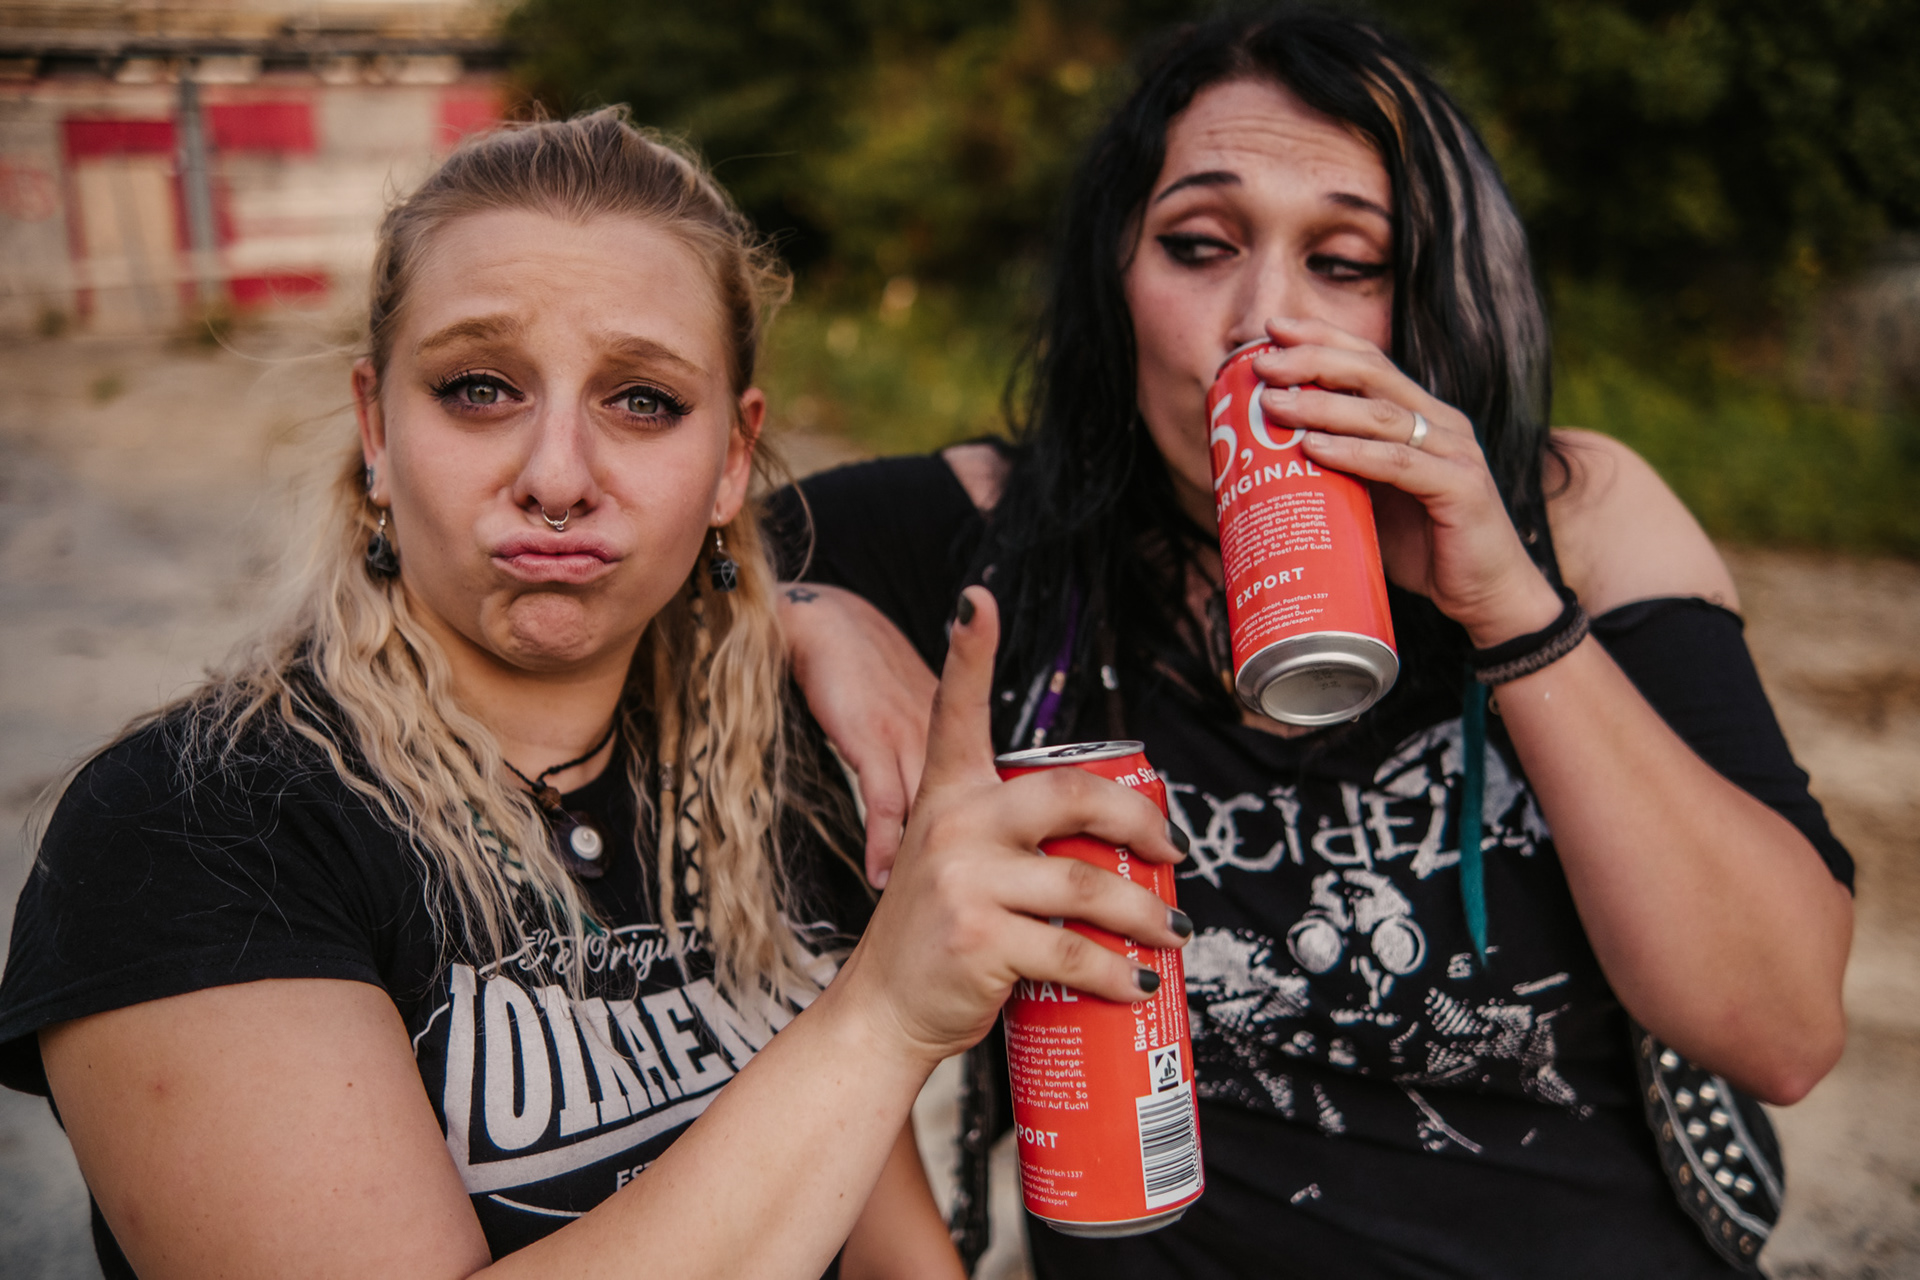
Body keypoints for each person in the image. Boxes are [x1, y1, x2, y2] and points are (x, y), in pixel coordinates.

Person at [0, 110, 1193, 1280]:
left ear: (732, 459)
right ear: (375, 427)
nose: (558, 476)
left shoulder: (759, 779)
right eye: (479, 387)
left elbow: (888, 1253)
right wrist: (881, 1015)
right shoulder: (189, 833)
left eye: (643, 400)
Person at [770, 10, 1855, 1277]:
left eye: (1345, 262)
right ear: (1118, 277)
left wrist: (1510, 604)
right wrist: (805, 609)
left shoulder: (1575, 511)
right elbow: (665, 542)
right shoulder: (998, 531)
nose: (1264, 319)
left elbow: (1782, 1029)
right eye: (1198, 244)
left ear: (1434, 303)